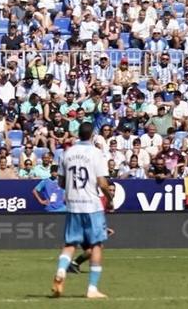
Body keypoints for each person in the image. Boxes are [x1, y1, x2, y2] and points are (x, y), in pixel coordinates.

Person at [54, 121, 112, 299]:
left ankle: (61, 270)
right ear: (93, 136)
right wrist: (110, 199)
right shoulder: (97, 153)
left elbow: (61, 183)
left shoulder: (67, 153)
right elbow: (102, 183)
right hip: (91, 205)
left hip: (72, 205)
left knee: (70, 244)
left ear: (78, 134)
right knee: (96, 245)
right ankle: (92, 288)